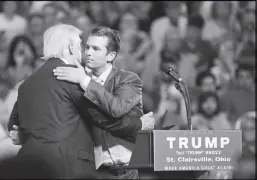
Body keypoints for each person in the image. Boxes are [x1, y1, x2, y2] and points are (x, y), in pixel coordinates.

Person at [8, 24, 154, 179]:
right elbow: (102, 119)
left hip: (31, 164)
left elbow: (13, 124)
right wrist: (138, 125)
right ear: (71, 48)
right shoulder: (71, 77)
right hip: (67, 165)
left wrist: (25, 135)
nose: (84, 52)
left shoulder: (26, 85)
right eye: (81, 46)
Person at [53, 26, 154, 179]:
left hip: (126, 172)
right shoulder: (76, 82)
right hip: (91, 173)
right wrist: (137, 125)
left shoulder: (128, 80)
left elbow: (117, 109)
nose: (88, 52)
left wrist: (85, 81)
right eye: (87, 47)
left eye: (95, 49)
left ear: (111, 55)